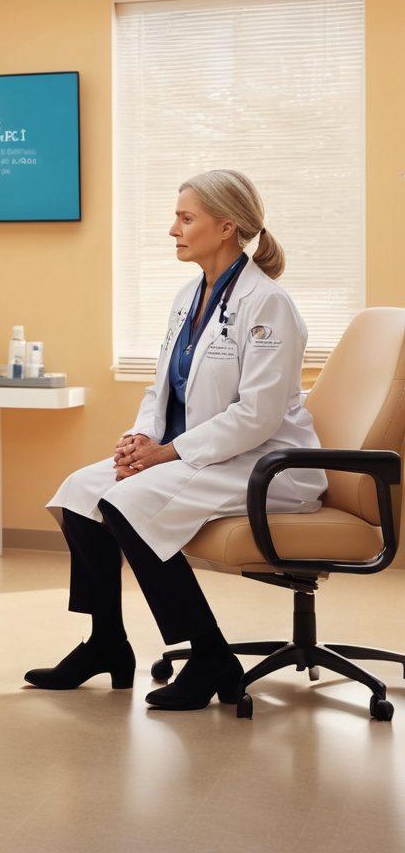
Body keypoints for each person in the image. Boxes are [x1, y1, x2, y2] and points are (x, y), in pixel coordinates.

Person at [26, 169, 327, 711]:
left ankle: (211, 656)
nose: (173, 229)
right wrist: (139, 438)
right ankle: (106, 644)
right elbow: (162, 386)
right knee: (79, 493)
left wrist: (164, 454)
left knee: (125, 504)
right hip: (195, 455)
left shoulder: (267, 304)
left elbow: (257, 416)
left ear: (227, 226)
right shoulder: (190, 295)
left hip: (266, 463)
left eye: (186, 218)